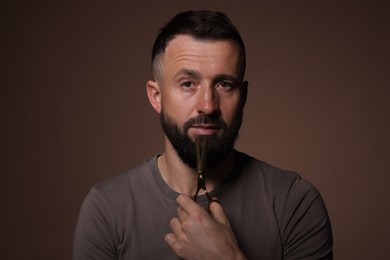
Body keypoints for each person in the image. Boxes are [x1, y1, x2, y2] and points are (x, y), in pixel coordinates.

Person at [73, 10, 333, 259]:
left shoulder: (294, 203)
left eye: (224, 84)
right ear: (157, 96)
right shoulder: (106, 209)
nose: (208, 105)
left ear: (242, 97)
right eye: (188, 84)